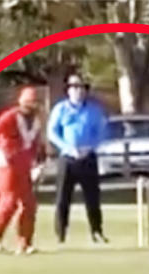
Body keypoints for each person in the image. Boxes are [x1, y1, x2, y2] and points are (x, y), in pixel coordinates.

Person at [47, 73, 109, 244]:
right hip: (68, 159)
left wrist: (90, 147)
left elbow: (102, 132)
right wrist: (67, 147)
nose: (77, 91)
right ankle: (61, 234)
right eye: (74, 87)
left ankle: (97, 231)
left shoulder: (94, 110)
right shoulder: (60, 109)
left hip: (88, 157)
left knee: (93, 198)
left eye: (80, 87)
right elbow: (52, 132)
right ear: (68, 90)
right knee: (62, 198)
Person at [0, 86, 44, 255]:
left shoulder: (36, 120)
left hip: (24, 165)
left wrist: (38, 163)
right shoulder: (11, 116)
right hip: (7, 164)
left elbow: (36, 144)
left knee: (29, 204)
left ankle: (25, 242)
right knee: (8, 202)